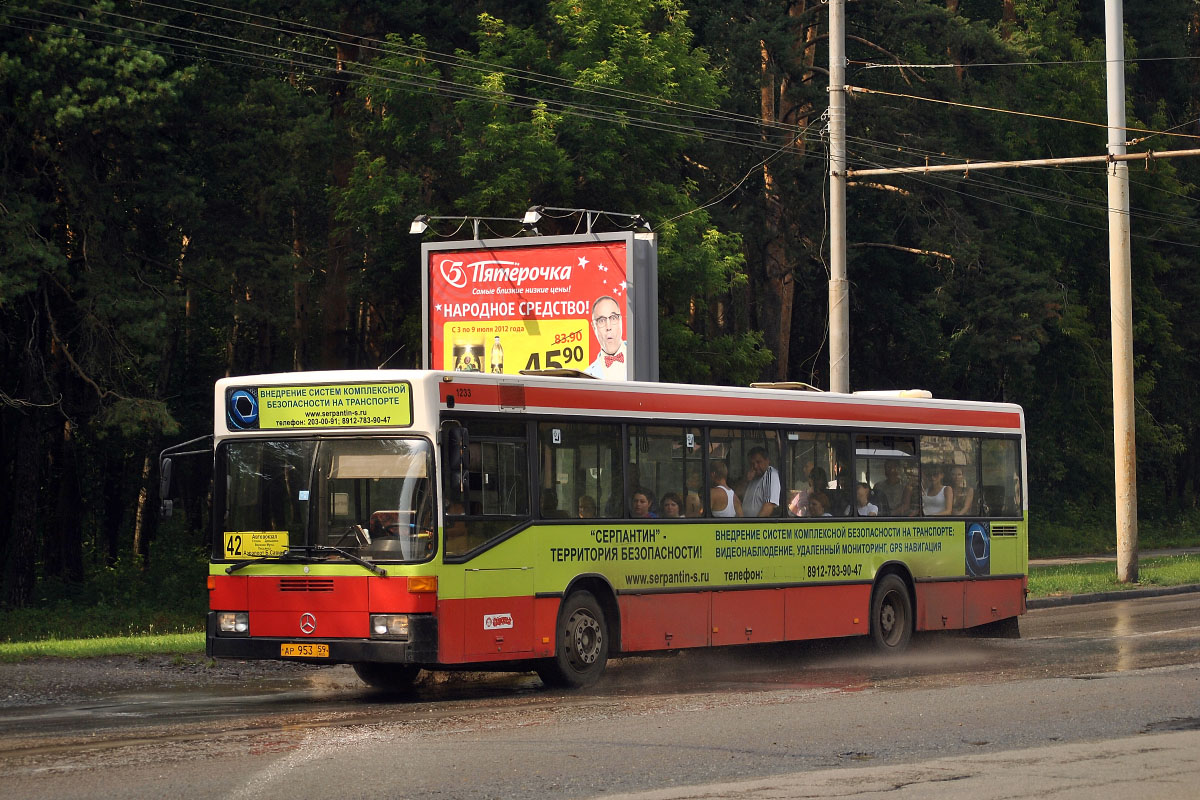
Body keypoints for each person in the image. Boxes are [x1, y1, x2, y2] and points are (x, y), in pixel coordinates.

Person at [583, 295, 627, 380]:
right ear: (594, 326)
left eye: (613, 318)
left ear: (620, 320)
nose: (608, 327)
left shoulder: (640, 355)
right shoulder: (586, 376)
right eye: (601, 320)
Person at [740, 446, 781, 516]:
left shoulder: (770, 475)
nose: (755, 466)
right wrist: (746, 481)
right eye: (752, 464)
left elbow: (768, 506)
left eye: (758, 462)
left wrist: (755, 525)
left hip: (756, 525)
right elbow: (737, 494)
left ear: (767, 461)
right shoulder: (753, 476)